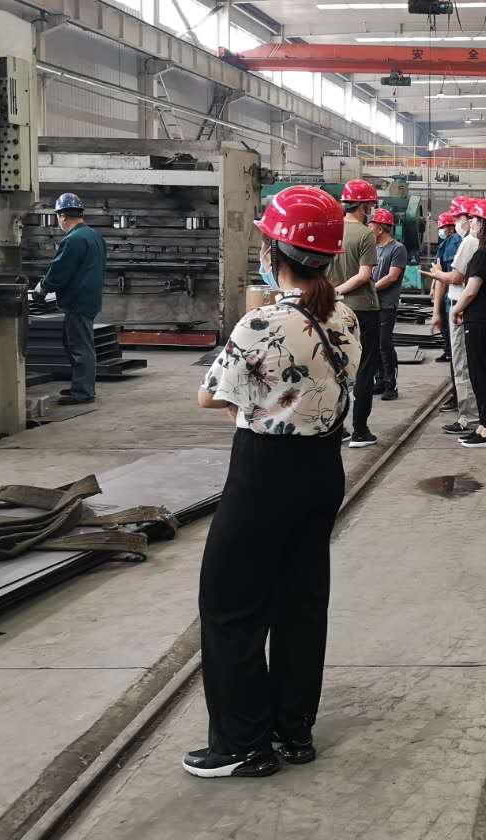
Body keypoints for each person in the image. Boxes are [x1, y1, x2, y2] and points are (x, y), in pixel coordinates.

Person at [187, 185, 359, 779]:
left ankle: (241, 744)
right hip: (322, 470)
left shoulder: (261, 322)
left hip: (265, 471)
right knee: (300, 601)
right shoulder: (344, 316)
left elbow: (210, 396)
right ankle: (293, 731)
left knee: (229, 603)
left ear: (274, 252)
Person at [33, 192, 107, 404]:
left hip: (77, 301)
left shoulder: (73, 240)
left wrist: (42, 288)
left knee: (80, 348)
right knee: (76, 344)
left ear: (63, 216)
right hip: (88, 299)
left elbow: (60, 270)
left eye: (58, 217)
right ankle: (80, 386)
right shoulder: (94, 236)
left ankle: (83, 392)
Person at [324, 179, 380, 449]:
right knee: (365, 368)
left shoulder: (331, 230)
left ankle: (337, 428)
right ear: (364, 206)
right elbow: (364, 275)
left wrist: (332, 293)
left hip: (333, 309)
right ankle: (360, 431)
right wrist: (340, 290)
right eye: (370, 205)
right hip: (363, 309)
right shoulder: (366, 234)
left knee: (335, 367)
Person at [450, 199, 486, 448]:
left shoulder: (484, 252)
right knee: (483, 373)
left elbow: (471, 290)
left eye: (474, 219)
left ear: (483, 223)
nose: (471, 223)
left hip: (479, 321)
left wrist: (456, 309)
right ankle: (485, 425)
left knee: (480, 374)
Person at [426, 196, 481, 437]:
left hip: (462, 307)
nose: (457, 221)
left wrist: (437, 275)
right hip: (466, 308)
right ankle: (474, 412)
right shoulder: (472, 242)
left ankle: (469, 417)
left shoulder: (469, 242)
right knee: (468, 363)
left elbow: (455, 278)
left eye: (460, 217)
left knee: (463, 364)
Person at [369, 208, 408, 402]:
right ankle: (380, 380)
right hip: (371, 303)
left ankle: (391, 384)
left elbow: (392, 277)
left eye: (371, 225)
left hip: (386, 303)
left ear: (380, 228)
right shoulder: (373, 248)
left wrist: (371, 289)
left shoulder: (397, 249)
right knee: (373, 344)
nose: (368, 229)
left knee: (384, 344)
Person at [431, 211, 459, 367]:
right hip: (443, 289)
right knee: (443, 322)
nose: (441, 230)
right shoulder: (445, 244)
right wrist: (433, 287)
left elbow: (449, 272)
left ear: (451, 227)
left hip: (449, 290)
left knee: (448, 323)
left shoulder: (454, 242)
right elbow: (438, 268)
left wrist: (440, 288)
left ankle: (451, 351)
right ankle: (448, 349)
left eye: (443, 227)